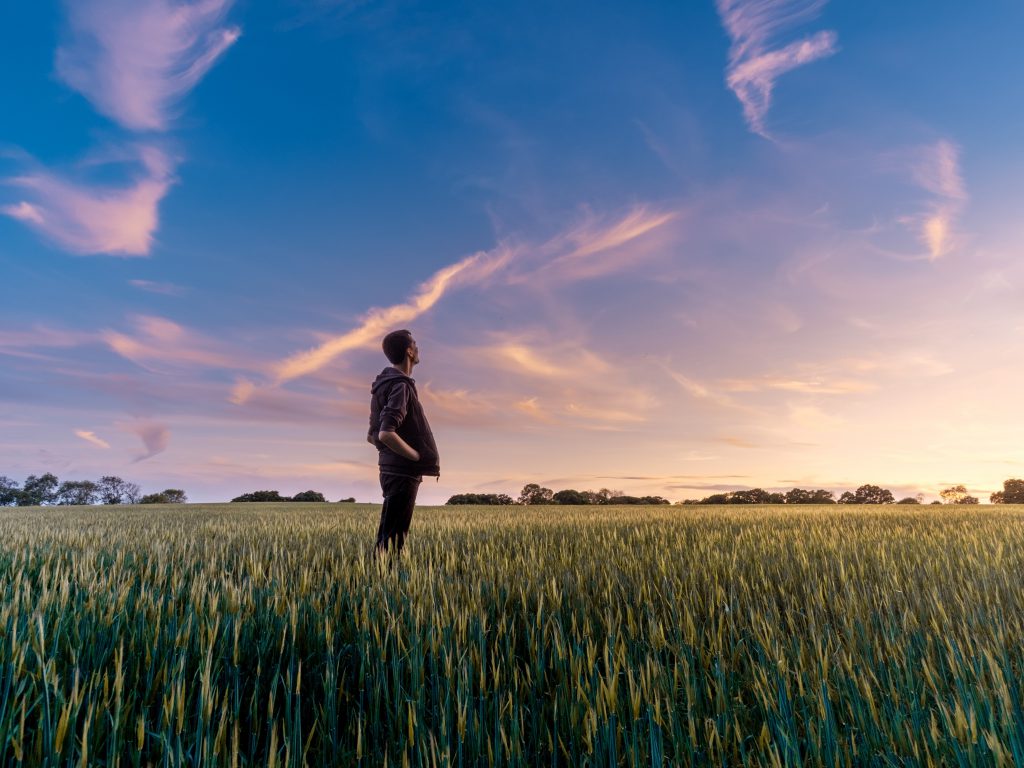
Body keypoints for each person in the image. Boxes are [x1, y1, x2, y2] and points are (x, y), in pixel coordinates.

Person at [367, 329, 440, 558]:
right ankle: (384, 587)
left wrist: (388, 455)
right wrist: (416, 457)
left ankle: (378, 582)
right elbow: (385, 433)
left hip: (389, 469)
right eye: (415, 345)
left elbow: (371, 435)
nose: (418, 349)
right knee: (394, 540)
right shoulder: (401, 385)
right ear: (409, 351)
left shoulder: (382, 385)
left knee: (388, 535)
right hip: (402, 471)